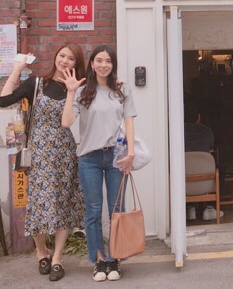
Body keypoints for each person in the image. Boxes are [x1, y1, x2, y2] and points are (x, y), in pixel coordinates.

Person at [0, 44, 86, 282]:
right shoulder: (37, 83)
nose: (65, 61)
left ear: (77, 64)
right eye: (62, 56)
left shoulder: (77, 88)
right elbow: (3, 100)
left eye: (71, 58)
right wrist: (17, 69)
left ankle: (57, 257)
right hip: (39, 155)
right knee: (37, 204)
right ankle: (41, 250)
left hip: (65, 154)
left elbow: (71, 120)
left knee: (64, 203)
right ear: (55, 57)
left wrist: (74, 91)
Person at [61, 45, 136, 282]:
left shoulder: (122, 89)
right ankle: (99, 260)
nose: (104, 65)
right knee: (93, 211)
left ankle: (115, 258)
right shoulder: (82, 91)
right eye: (99, 61)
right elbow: (66, 122)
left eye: (108, 61)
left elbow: (129, 121)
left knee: (117, 209)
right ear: (92, 64)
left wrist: (131, 153)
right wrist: (70, 92)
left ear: (113, 65)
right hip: (89, 158)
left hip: (116, 156)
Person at [184, 101, 222, 221]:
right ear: (199, 117)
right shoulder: (207, 131)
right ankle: (209, 208)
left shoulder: (178, 131)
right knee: (219, 168)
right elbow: (211, 146)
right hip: (206, 179)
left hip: (185, 181)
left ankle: (189, 208)